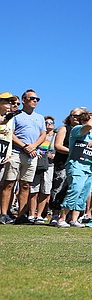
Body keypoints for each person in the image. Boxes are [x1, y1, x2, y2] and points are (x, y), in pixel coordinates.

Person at [1, 89, 47, 224]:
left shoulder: (40, 117)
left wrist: (33, 147)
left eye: (37, 99)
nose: (35, 101)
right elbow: (11, 133)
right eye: (32, 98)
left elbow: (43, 134)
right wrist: (24, 146)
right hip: (15, 152)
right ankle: (3, 213)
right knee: (9, 183)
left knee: (25, 185)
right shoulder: (15, 115)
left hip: (31, 155)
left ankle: (21, 215)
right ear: (24, 100)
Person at [56, 111, 92, 228]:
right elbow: (88, 126)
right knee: (75, 189)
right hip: (76, 165)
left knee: (83, 193)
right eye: (91, 120)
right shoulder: (76, 130)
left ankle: (74, 219)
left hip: (90, 167)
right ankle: (61, 218)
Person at [27, 115, 56, 223]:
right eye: (46, 122)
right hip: (37, 163)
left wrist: (54, 155)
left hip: (50, 165)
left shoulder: (56, 136)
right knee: (34, 189)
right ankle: (31, 213)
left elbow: (58, 147)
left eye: (51, 122)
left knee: (45, 189)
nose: (49, 124)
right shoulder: (38, 135)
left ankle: (39, 214)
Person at [0, 93, 19, 190]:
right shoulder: (7, 118)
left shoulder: (10, 118)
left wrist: (8, 154)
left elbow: (8, 137)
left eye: (11, 101)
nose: (10, 103)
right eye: (7, 101)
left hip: (3, 154)